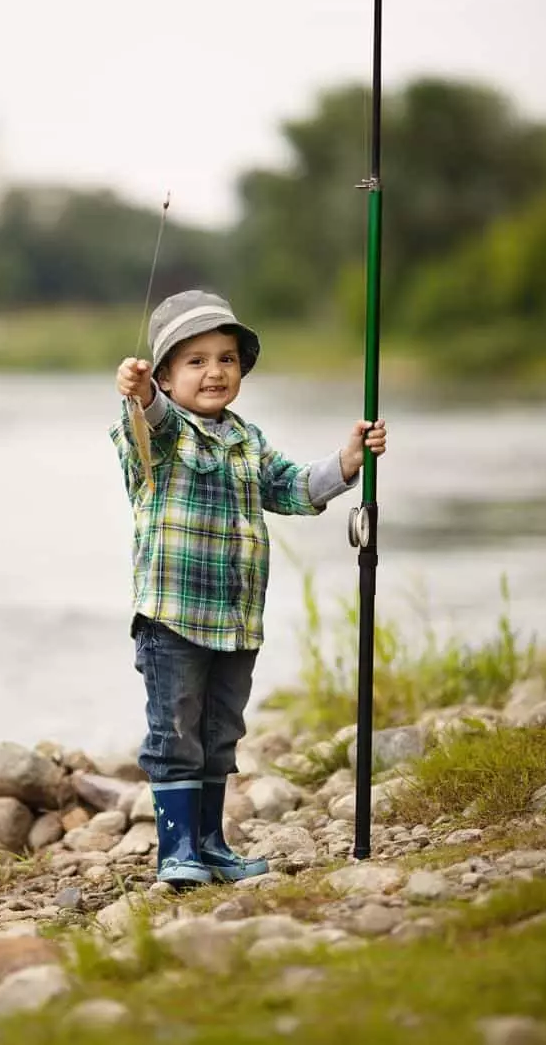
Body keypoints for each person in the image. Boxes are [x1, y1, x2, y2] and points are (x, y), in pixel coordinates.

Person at [110, 290, 387, 886]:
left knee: (219, 734)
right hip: (172, 618)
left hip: (235, 620)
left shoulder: (247, 439)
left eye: (227, 359)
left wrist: (346, 461)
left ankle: (210, 845)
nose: (215, 372)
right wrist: (139, 394)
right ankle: (177, 851)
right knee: (175, 731)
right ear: (163, 374)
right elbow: (154, 417)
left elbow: (289, 488)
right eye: (196, 360)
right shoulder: (156, 434)